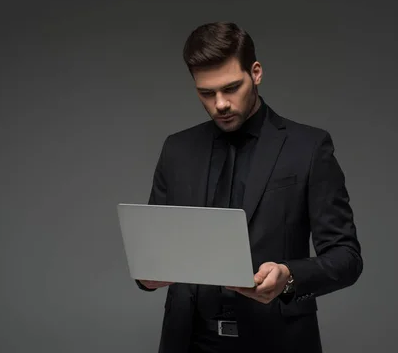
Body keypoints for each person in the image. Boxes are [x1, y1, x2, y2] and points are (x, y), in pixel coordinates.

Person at [135, 21, 363, 353]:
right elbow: (153, 250)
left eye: (231, 88)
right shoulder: (176, 150)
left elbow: (347, 258)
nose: (220, 104)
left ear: (255, 73)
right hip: (186, 341)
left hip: (277, 341)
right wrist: (146, 276)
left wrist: (289, 275)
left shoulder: (308, 148)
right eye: (206, 93)